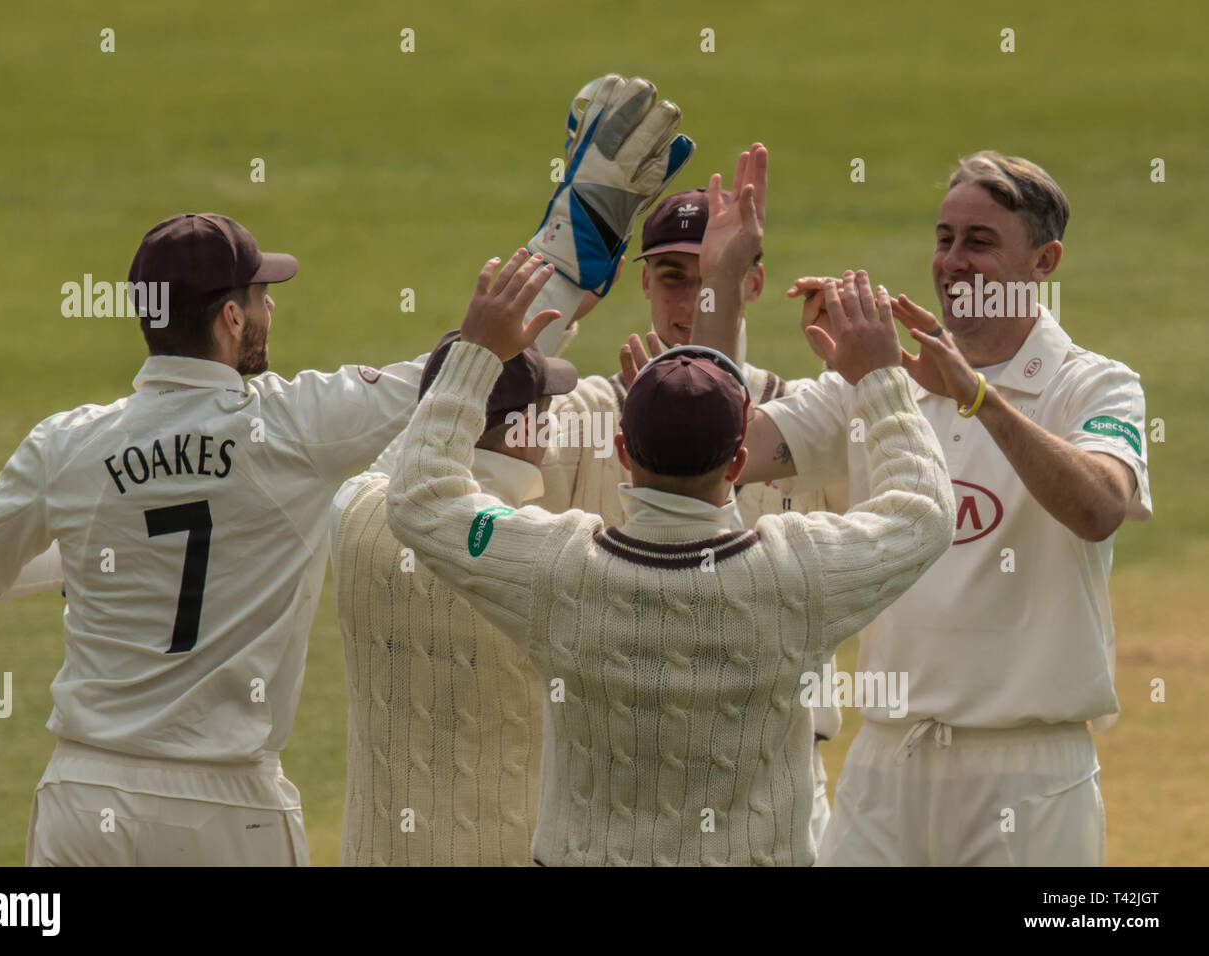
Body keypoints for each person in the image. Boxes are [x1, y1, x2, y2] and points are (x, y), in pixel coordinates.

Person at [383, 177, 957, 865]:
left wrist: (475, 353)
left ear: (623, 450)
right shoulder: (798, 572)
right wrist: (882, 380)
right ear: (742, 458)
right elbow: (924, 512)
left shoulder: (558, 570)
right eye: (673, 278)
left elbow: (421, 496)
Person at [0, 213, 431, 866]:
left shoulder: (67, 444)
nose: (270, 305)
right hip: (231, 811)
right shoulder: (294, 428)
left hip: (86, 798)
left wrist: (85, 555)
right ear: (231, 318)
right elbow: (465, 376)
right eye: (259, 296)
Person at [740, 151, 1153, 865]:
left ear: (1044, 262)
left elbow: (1101, 507)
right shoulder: (877, 386)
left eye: (980, 242)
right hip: (882, 766)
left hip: (1028, 774)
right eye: (944, 238)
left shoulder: (1096, 387)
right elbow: (728, 452)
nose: (953, 261)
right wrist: (726, 285)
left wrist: (976, 397)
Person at [534, 146, 849, 847]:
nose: (688, 300)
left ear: (753, 281)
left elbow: (914, 512)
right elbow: (487, 457)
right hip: (618, 782)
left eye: (709, 277)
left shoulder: (801, 415)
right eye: (672, 278)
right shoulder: (590, 410)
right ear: (644, 287)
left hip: (780, 778)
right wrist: (556, 303)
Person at [330, 332, 577, 866]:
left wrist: (476, 352)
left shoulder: (352, 510)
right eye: (544, 408)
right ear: (521, 428)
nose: (551, 421)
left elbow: (406, 458)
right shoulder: (547, 554)